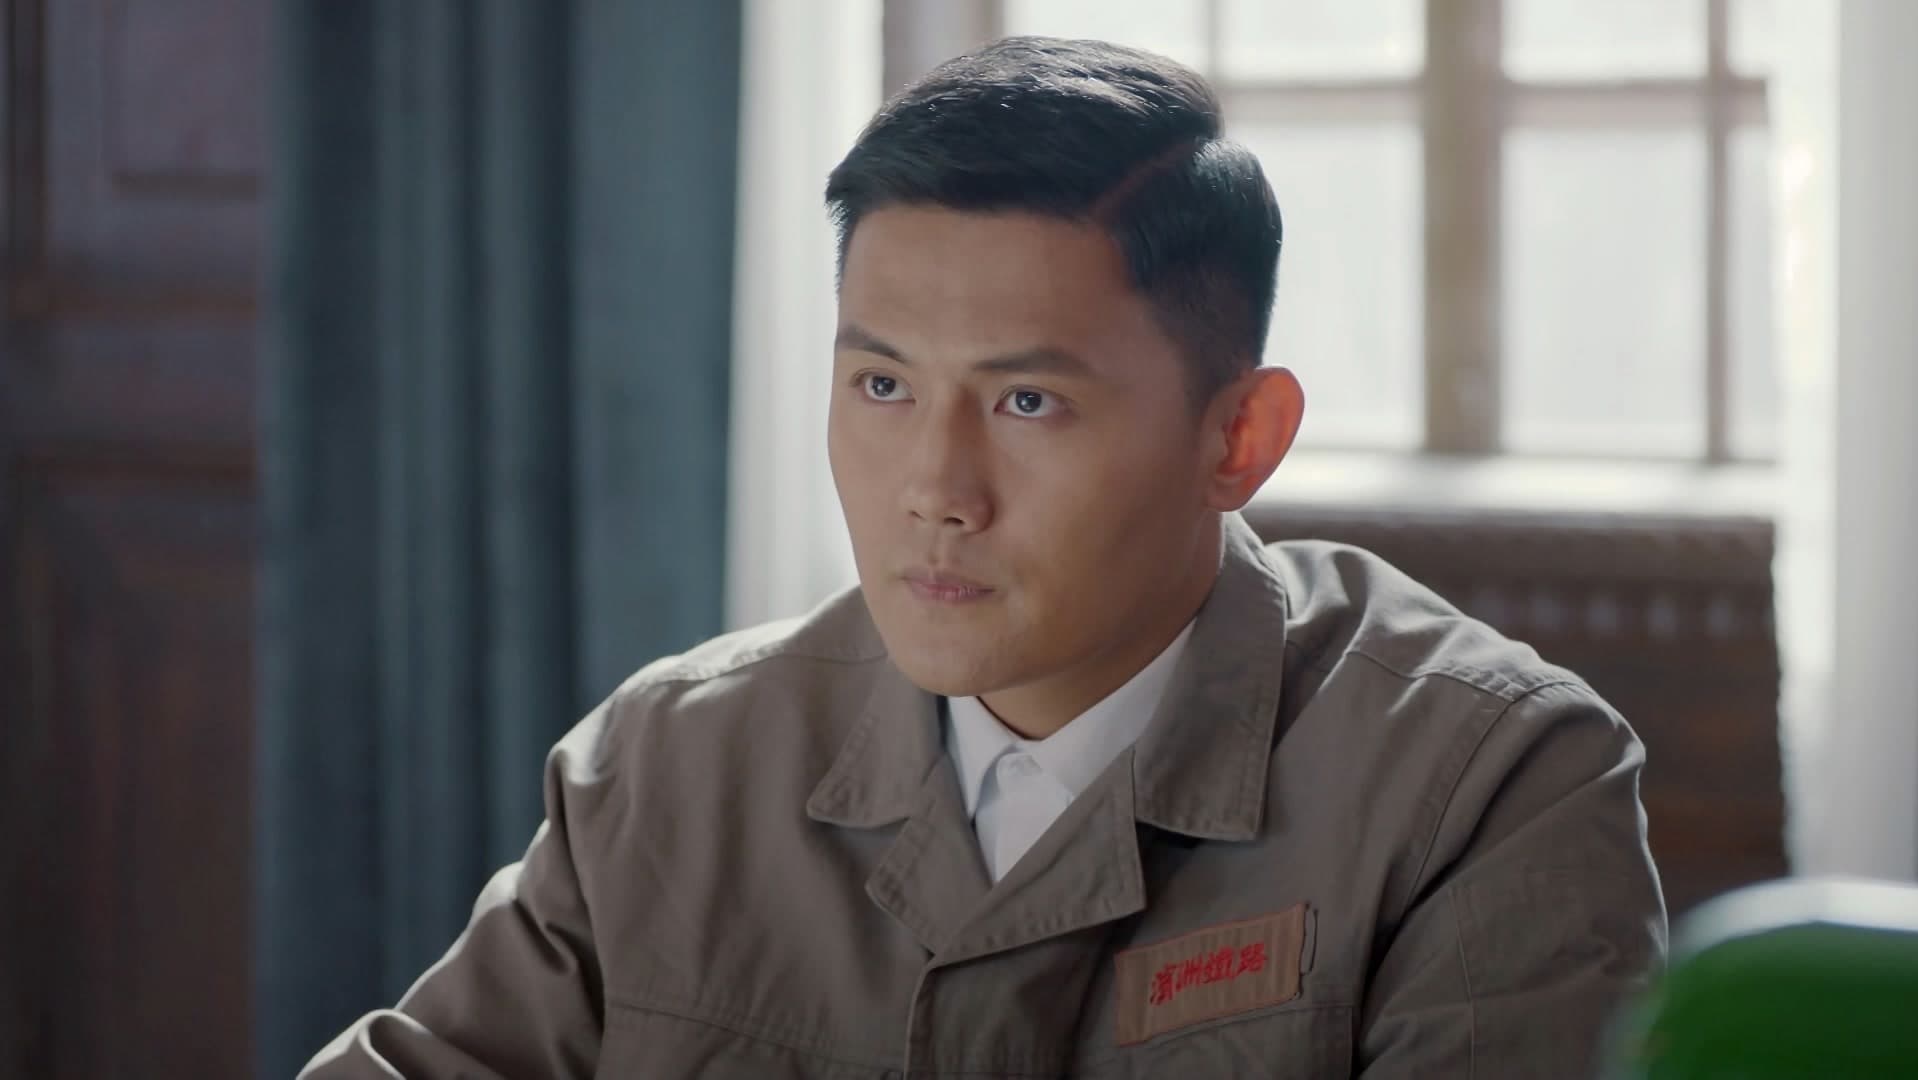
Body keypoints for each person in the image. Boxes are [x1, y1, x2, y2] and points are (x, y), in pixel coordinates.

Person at [304, 36, 1665, 1078]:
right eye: (882, 387)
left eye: (1026, 402)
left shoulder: (1484, 788)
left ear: (1237, 437)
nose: (935, 494)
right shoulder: (671, 768)